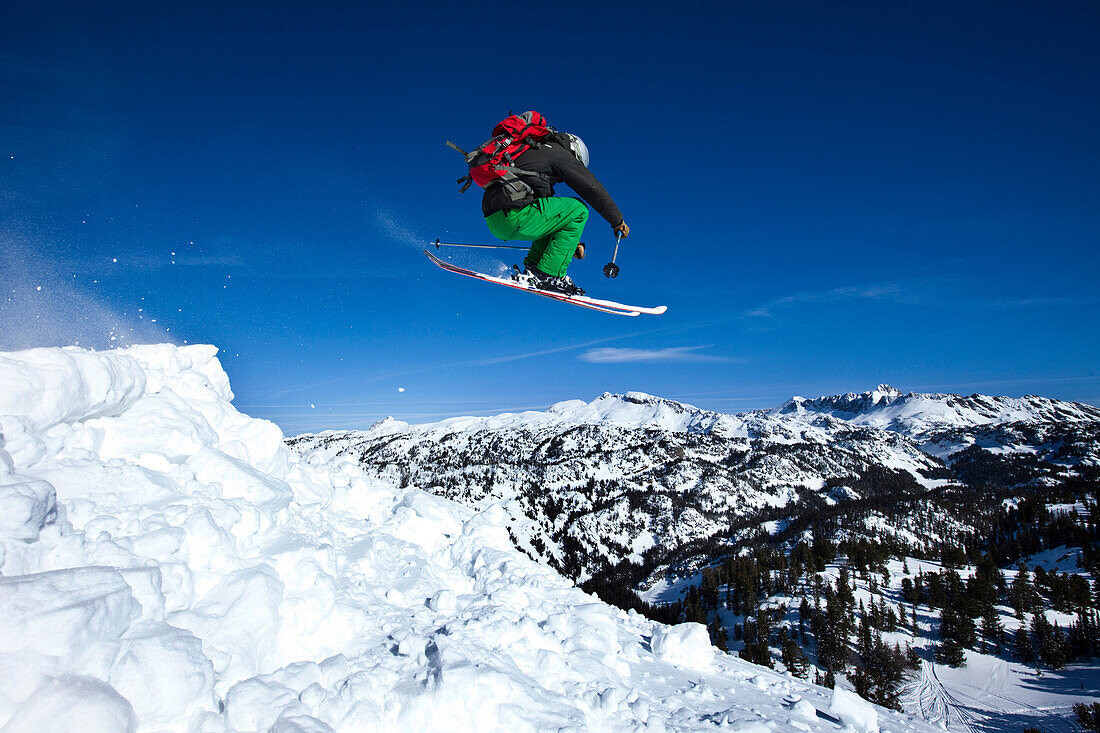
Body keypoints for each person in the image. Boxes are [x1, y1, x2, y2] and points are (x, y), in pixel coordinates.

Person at [481, 124, 629, 296]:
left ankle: (534, 270)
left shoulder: (532, 154)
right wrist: (617, 220)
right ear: (574, 152)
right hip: (514, 216)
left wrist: (573, 244)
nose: (558, 180)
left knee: (551, 206)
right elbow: (591, 187)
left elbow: (550, 219)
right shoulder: (558, 154)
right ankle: (550, 275)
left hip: (494, 219)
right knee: (579, 209)